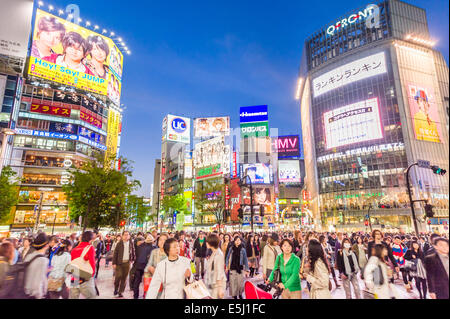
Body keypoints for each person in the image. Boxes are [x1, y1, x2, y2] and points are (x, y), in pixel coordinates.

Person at [69, 231, 96, 299]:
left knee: (74, 297)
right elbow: (92, 263)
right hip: (85, 277)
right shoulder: (90, 248)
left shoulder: (74, 250)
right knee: (91, 296)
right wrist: (91, 275)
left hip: (74, 277)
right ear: (91, 239)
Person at [24, 233, 50, 299]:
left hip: (25, 292)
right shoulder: (43, 260)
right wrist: (40, 296)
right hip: (33, 295)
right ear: (46, 245)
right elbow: (37, 284)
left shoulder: (29, 256)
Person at [112, 230, 135, 298]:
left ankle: (120, 292)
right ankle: (116, 289)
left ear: (129, 236)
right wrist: (114, 263)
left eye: (127, 235)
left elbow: (133, 252)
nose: (126, 236)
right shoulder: (119, 243)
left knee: (124, 278)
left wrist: (132, 260)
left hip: (127, 263)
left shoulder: (131, 243)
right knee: (118, 277)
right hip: (119, 263)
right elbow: (115, 253)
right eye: (125, 234)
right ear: (122, 236)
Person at [132, 235, 154, 299]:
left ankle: (135, 296)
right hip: (147, 267)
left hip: (139, 266)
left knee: (137, 283)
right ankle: (146, 296)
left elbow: (137, 256)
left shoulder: (139, 247)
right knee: (147, 283)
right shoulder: (154, 248)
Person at [205, 234, 226, 299]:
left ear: (211, 243)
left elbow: (220, 272)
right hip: (213, 283)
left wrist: (220, 288)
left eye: (207, 242)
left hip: (217, 284)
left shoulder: (218, 254)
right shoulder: (214, 252)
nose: (206, 243)